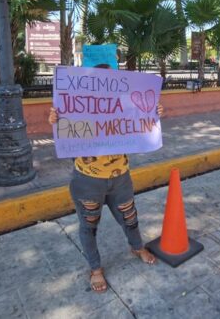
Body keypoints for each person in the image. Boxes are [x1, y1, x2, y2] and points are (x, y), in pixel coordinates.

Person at [48, 63, 160, 293]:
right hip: (87, 182)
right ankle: (95, 268)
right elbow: (66, 130)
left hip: (121, 179)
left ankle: (137, 247)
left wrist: (154, 113)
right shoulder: (78, 108)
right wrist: (55, 119)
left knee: (130, 218)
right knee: (88, 226)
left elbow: (141, 125)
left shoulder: (125, 106)